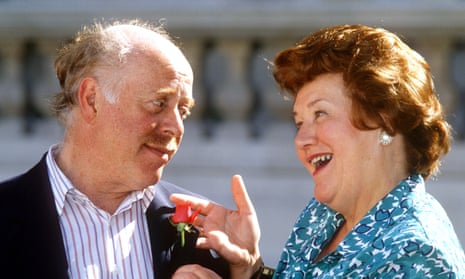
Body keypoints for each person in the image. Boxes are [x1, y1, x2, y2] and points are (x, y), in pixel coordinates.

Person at [171, 24, 465, 278]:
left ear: (383, 118)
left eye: (320, 114)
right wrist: (251, 270)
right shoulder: (325, 215)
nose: (301, 139)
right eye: (300, 122)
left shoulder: (417, 255)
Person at [0, 20, 230, 278]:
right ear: (91, 99)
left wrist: (250, 270)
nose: (176, 127)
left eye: (183, 110)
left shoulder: (206, 233)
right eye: (158, 104)